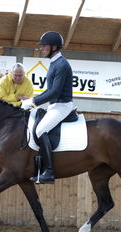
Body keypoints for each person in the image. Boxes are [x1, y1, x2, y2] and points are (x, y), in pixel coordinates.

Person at [21, 31, 74, 184]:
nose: (41, 48)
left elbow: (55, 92)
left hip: (62, 105)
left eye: (44, 46)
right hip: (55, 105)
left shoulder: (62, 65)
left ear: (54, 47)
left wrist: (33, 102)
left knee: (40, 129)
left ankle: (49, 172)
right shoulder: (54, 63)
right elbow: (49, 90)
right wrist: (32, 100)